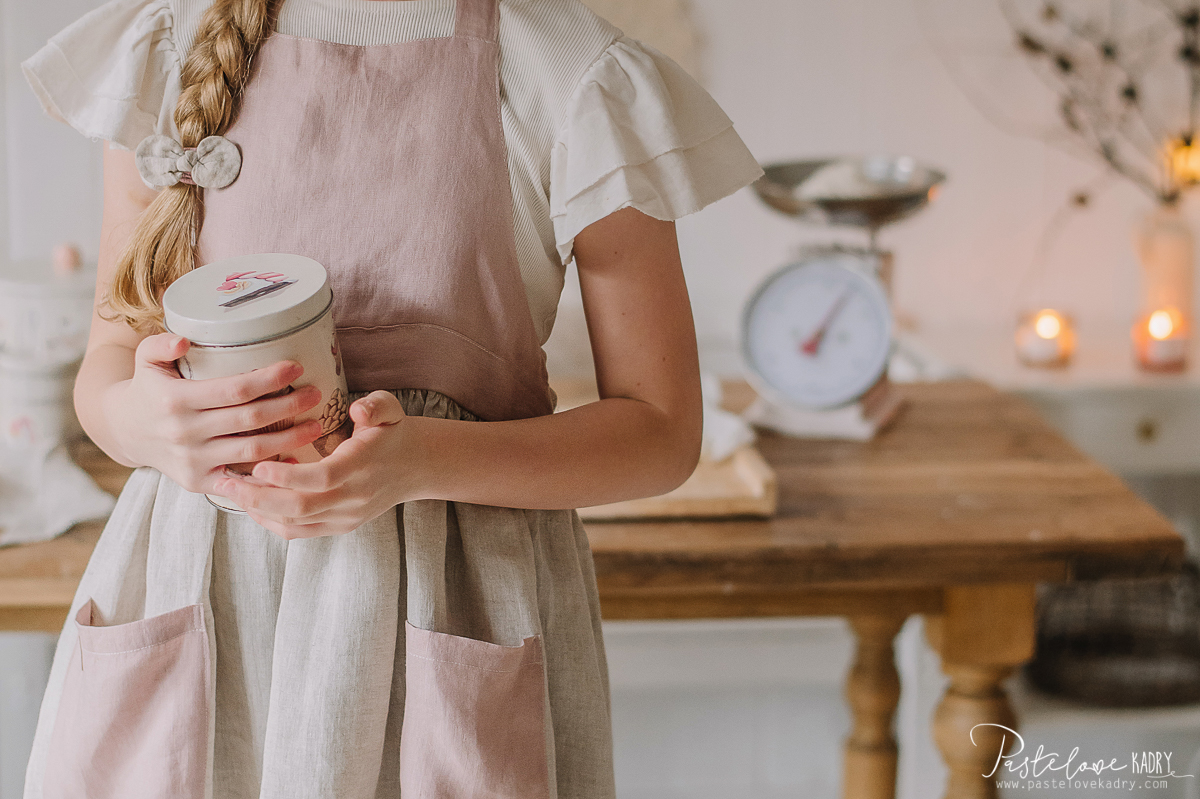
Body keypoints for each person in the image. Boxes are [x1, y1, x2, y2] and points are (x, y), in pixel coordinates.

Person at [20, 0, 763, 796]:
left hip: (452, 603)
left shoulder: (570, 71)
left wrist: (421, 460)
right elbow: (110, 364)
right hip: (205, 598)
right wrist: (141, 421)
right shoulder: (167, 45)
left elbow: (662, 431)